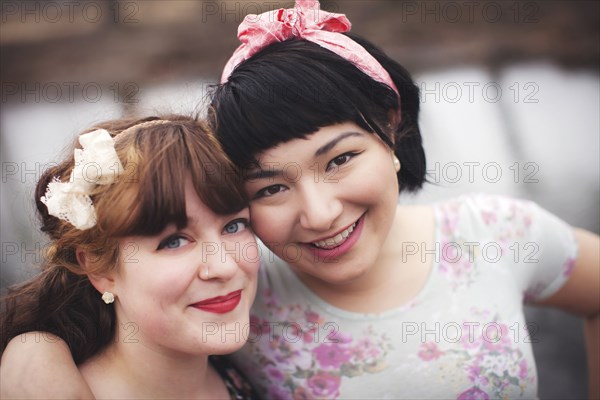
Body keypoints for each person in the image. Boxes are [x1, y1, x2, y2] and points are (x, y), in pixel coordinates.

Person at [2, 1, 599, 399]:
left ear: (391, 130)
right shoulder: (242, 297)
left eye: (340, 159)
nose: (318, 214)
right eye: (270, 189)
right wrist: (32, 357)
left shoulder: (493, 232)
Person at [0, 116, 260, 399]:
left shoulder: (246, 369)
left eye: (233, 226)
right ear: (100, 270)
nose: (225, 266)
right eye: (174, 242)